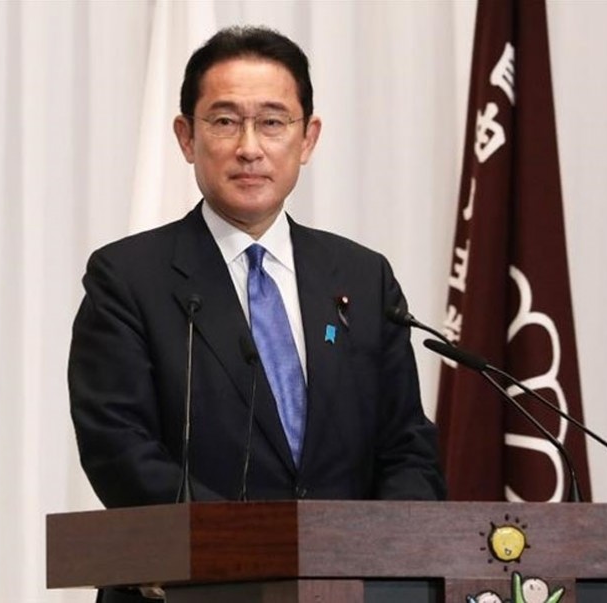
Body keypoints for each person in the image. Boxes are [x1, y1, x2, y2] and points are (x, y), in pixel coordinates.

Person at [68, 25, 446, 602]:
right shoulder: (128, 278)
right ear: (187, 137)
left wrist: (383, 559)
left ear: (308, 138)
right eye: (224, 121)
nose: (250, 147)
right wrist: (249, 554)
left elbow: (407, 447)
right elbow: (119, 449)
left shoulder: (361, 278)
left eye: (272, 122)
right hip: (192, 590)